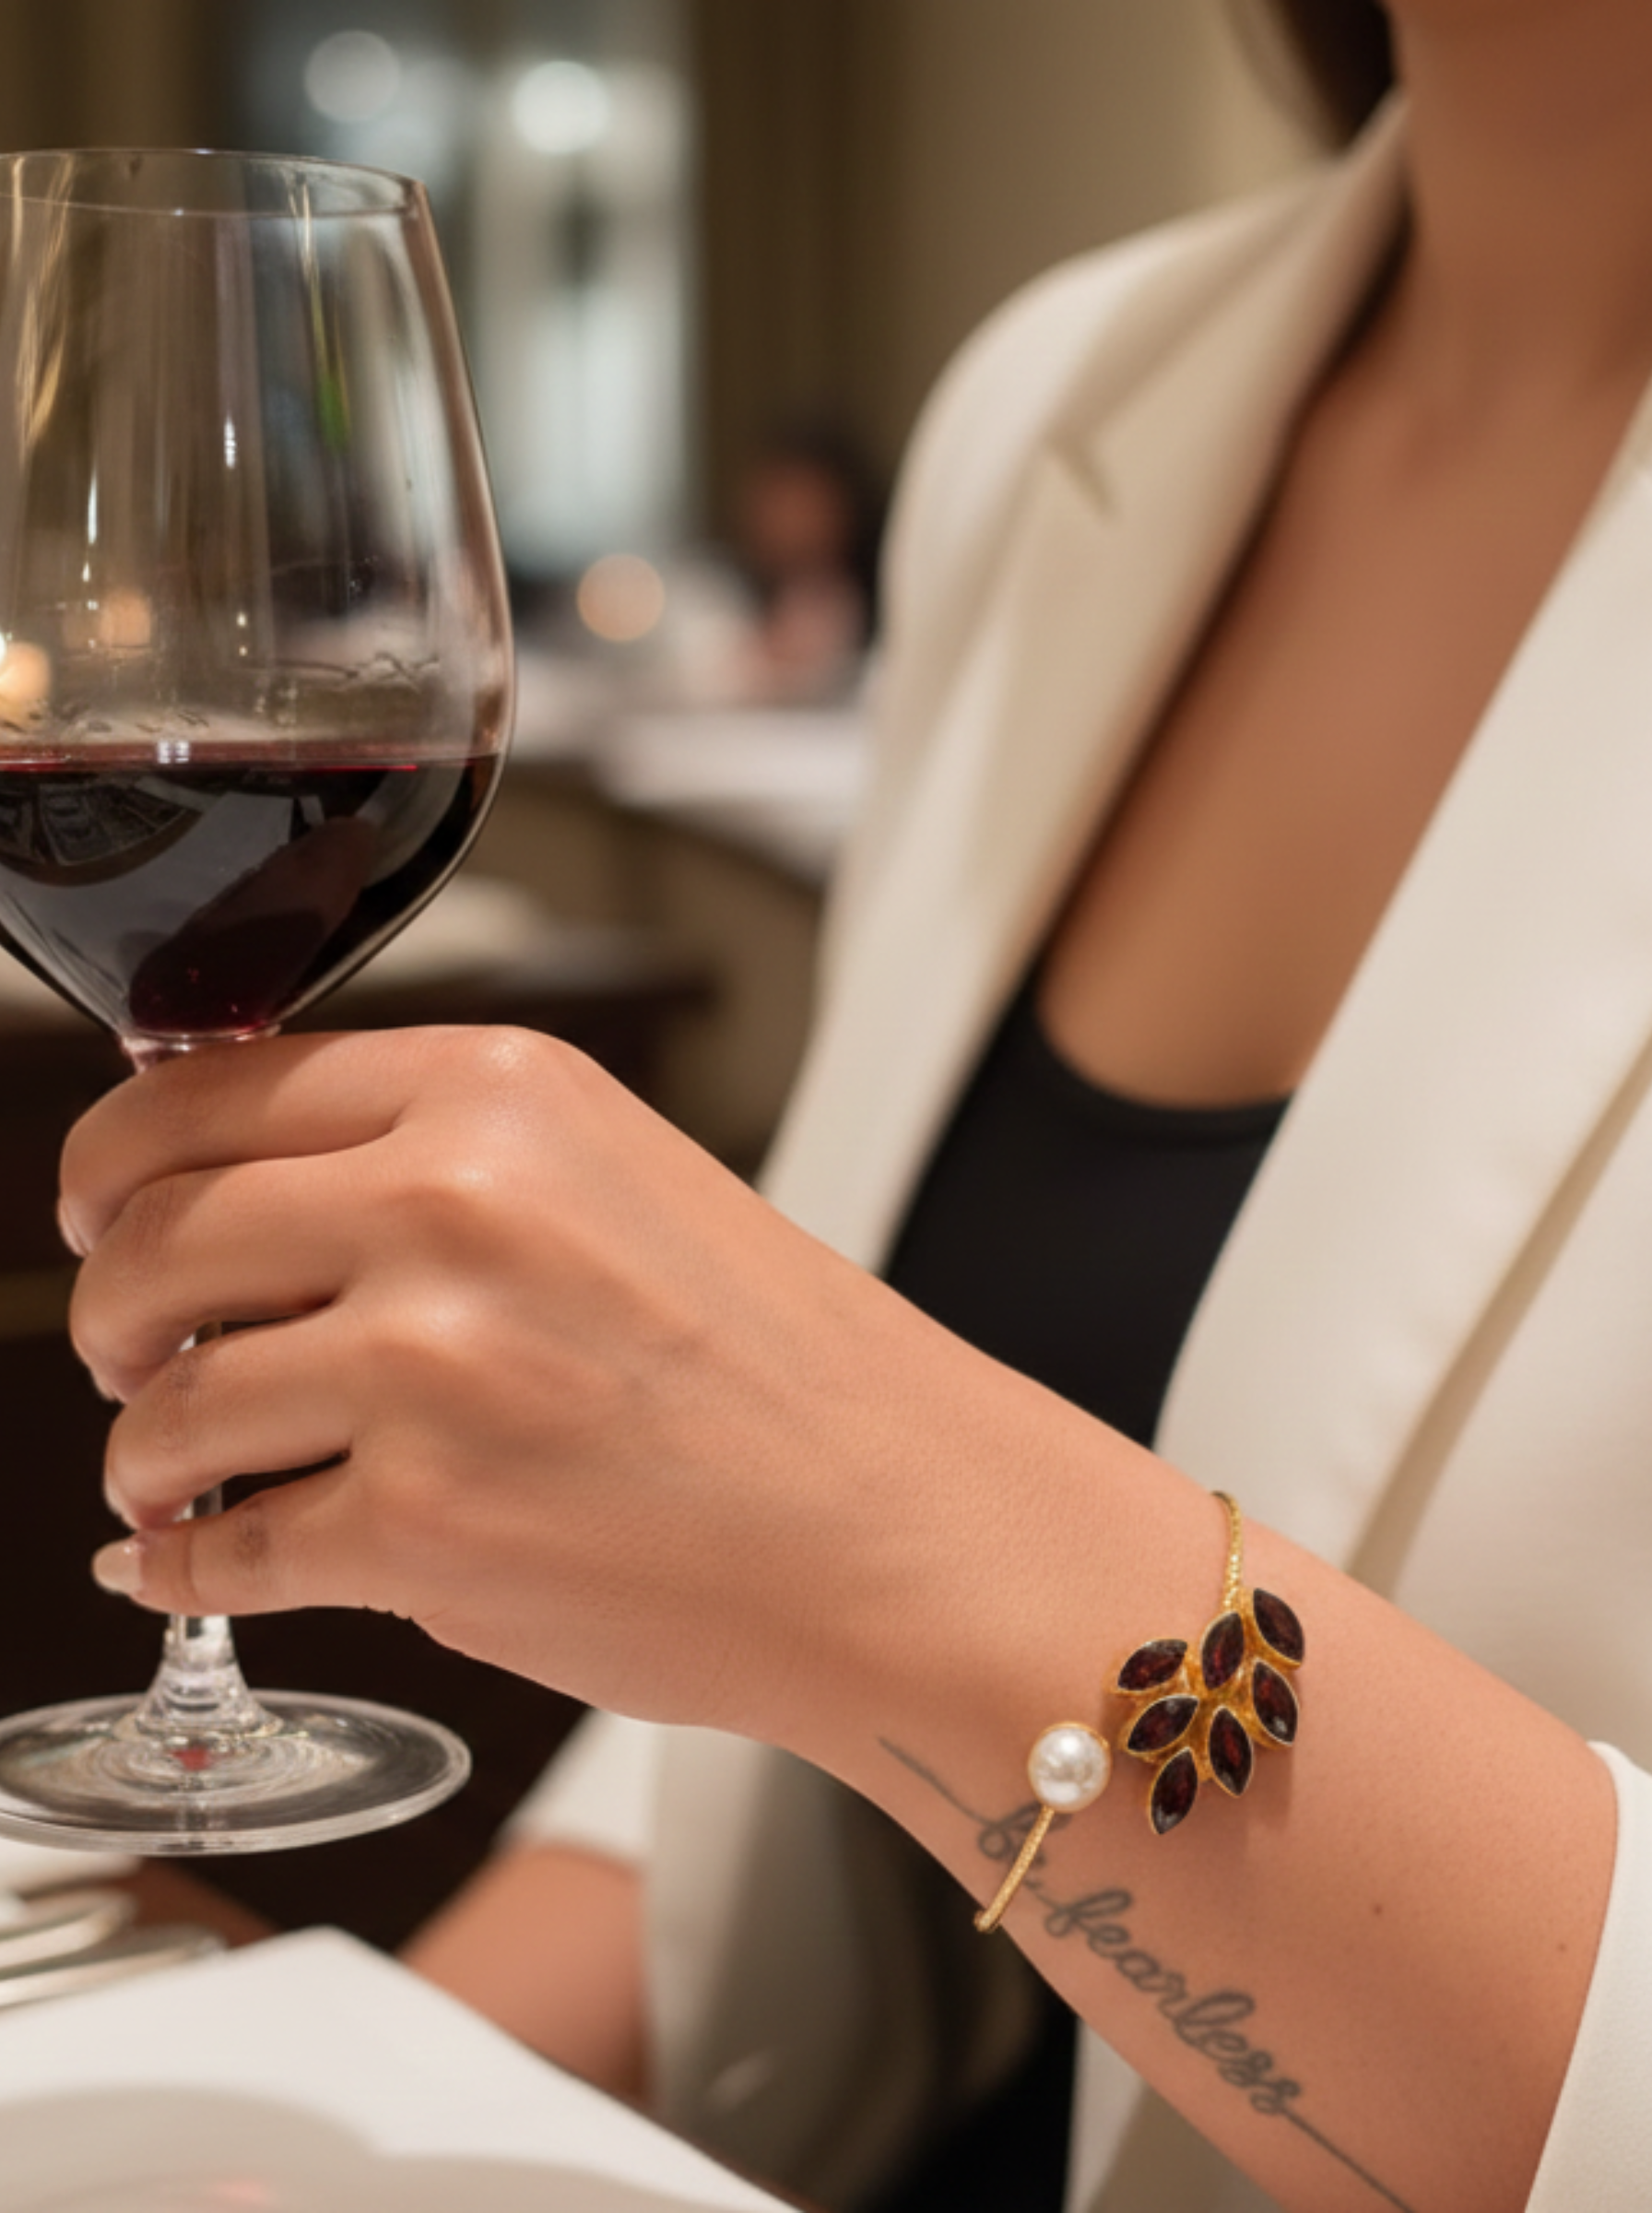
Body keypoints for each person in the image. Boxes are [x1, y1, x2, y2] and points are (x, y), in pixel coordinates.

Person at [60, 0, 1652, 2205]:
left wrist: (895, 1524)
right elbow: (724, 1815)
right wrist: (298, 2126)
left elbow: (837, 1565)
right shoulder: (1072, 399)